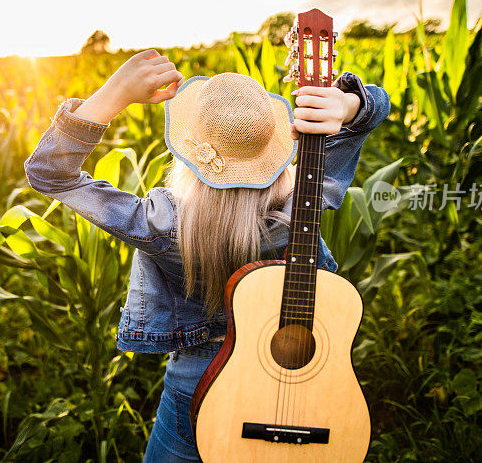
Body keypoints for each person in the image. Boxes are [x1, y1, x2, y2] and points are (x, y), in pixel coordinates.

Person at [24, 48, 390, 462]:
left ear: (189, 150)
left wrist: (114, 93)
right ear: (276, 146)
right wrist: (351, 103)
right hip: (308, 397)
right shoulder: (304, 201)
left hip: (197, 384)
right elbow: (369, 115)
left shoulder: (162, 224)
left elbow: (48, 172)